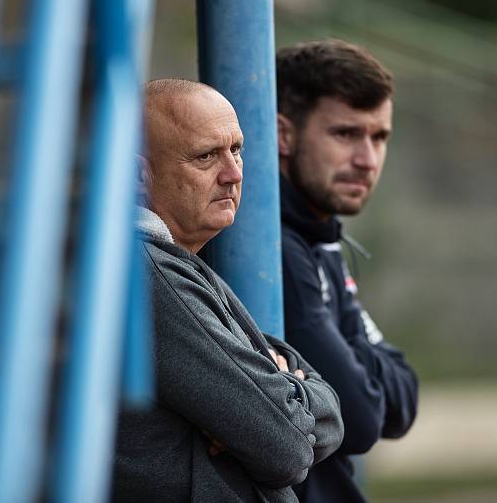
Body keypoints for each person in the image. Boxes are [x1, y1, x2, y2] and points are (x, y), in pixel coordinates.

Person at [112, 79, 344, 503]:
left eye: (235, 150)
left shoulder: (175, 264)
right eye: (205, 157)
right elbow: (286, 449)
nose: (233, 173)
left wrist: (281, 397)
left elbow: (334, 418)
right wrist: (278, 397)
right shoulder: (147, 274)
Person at [276, 39, 419, 503]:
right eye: (345, 134)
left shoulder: (323, 236)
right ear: (283, 135)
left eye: (379, 137)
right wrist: (357, 344)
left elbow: (404, 399)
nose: (367, 160)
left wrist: (347, 341)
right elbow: (360, 419)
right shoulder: (276, 248)